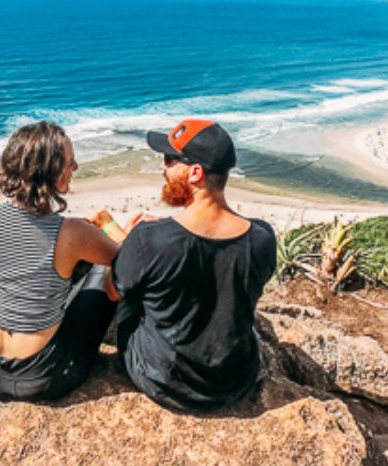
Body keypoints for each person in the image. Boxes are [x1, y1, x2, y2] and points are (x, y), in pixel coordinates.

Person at [107, 118, 277, 413]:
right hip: (236, 379)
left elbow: (112, 290)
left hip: (164, 381)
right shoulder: (262, 238)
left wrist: (127, 245)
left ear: (195, 173)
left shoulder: (150, 240)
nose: (163, 167)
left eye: (170, 160)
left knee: (121, 291)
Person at [0, 121, 118, 402]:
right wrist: (106, 227)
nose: (76, 168)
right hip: (46, 376)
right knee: (107, 266)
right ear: (52, 173)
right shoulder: (72, 232)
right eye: (70, 164)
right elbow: (125, 258)